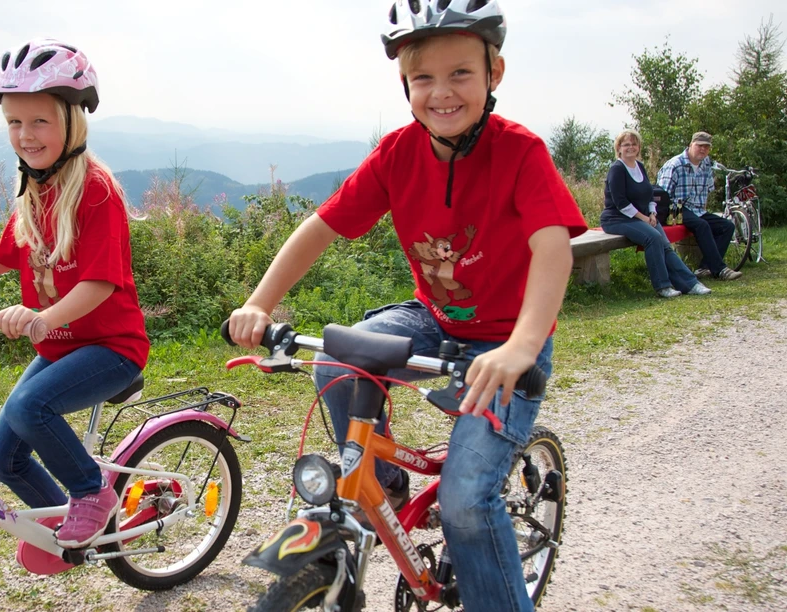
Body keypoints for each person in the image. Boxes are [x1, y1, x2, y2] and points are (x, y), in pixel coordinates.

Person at [227, 2, 586, 609]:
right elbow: (321, 226)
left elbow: (553, 247)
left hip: (508, 342)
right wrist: (261, 303)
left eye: (460, 73)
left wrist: (523, 346)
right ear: (404, 84)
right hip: (435, 321)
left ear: (494, 73)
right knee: (336, 363)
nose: (441, 92)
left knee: (466, 502)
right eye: (424, 78)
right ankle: (387, 487)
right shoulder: (398, 152)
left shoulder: (520, 151)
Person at [0, 39, 148, 549]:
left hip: (112, 348)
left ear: (72, 121)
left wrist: (42, 318)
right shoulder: (36, 188)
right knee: (0, 457)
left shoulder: (95, 190)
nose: (25, 135)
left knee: (29, 407)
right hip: (60, 347)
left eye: (39, 121)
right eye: (14, 122)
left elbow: (100, 283)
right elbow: (8, 251)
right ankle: (66, 528)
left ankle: (91, 493)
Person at [602, 130, 710, 298]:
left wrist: (653, 213)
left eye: (634, 144)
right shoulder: (617, 169)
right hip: (617, 219)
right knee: (653, 238)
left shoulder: (640, 166)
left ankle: (691, 284)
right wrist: (644, 218)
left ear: (639, 147)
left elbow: (649, 194)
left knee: (665, 245)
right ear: (619, 148)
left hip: (644, 217)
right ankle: (662, 286)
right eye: (626, 144)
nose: (630, 147)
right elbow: (621, 203)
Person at [656, 131, 743, 280]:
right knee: (701, 225)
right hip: (676, 208)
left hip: (698, 209)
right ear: (691, 145)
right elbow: (662, 196)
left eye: (706, 147)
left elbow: (707, 191)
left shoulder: (706, 165)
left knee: (727, 226)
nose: (703, 149)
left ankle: (704, 267)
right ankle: (720, 270)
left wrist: (704, 210)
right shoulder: (675, 165)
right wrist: (670, 217)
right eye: (699, 145)